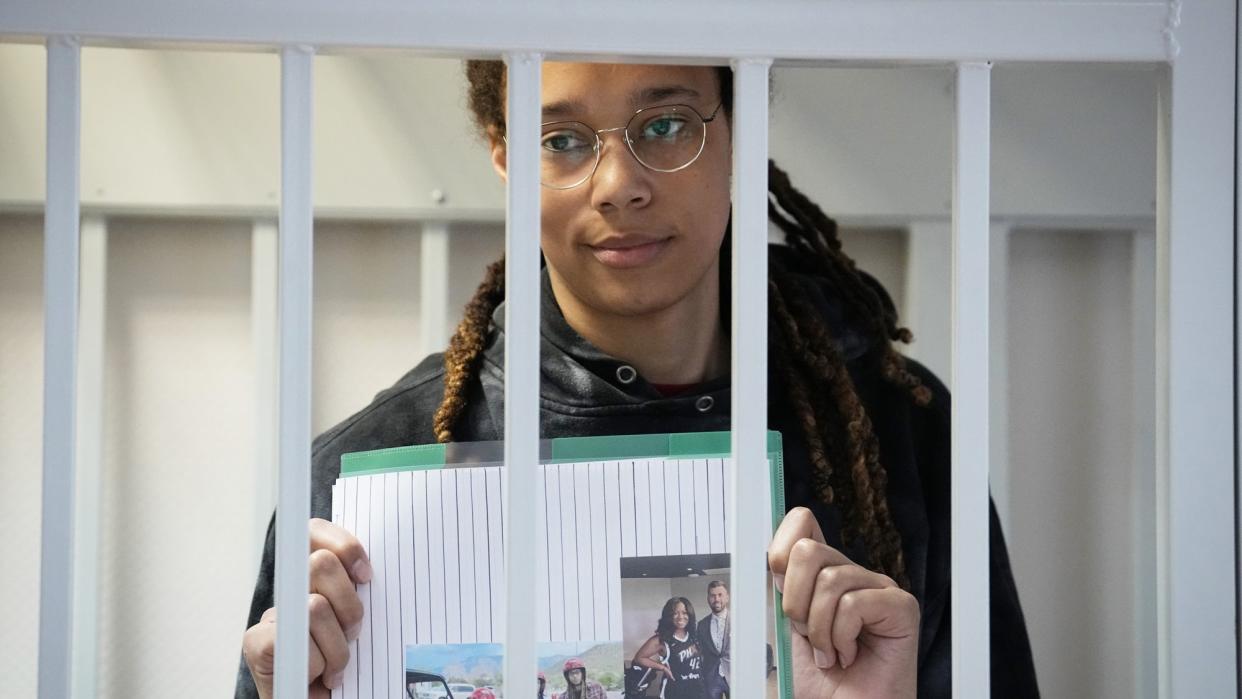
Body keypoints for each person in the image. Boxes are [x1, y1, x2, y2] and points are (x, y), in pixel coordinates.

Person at [237, 61, 1039, 698]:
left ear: (742, 128)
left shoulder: (901, 435)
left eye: (666, 124)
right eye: (562, 139)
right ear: (507, 159)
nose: (619, 183)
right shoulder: (356, 482)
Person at [631, 597, 708, 699]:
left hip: (698, 691)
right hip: (674, 692)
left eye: (685, 612)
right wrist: (662, 667)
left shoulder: (694, 636)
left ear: (690, 614)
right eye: (675, 613)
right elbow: (639, 658)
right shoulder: (662, 640)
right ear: (669, 616)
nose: (680, 617)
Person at [696, 581, 729, 699]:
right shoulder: (701, 625)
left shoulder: (739, 621)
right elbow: (700, 652)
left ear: (727, 597)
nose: (716, 599)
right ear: (708, 598)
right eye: (712, 595)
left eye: (720, 595)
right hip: (711, 679)